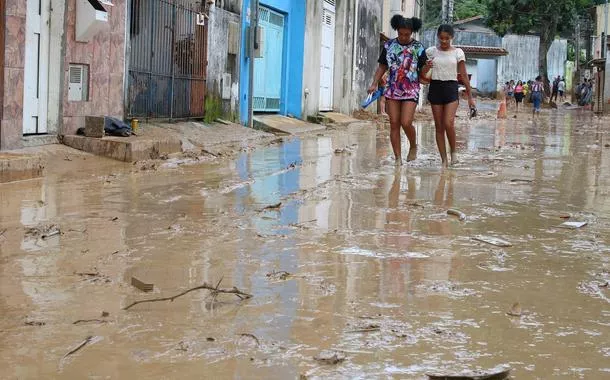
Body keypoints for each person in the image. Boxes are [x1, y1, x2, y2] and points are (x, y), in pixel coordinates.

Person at [369, 15, 426, 165]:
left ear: (412, 32)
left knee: (406, 122)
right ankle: (398, 159)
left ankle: (413, 146)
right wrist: (374, 83)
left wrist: (428, 69)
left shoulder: (418, 48)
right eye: (401, 33)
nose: (403, 37)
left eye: (407, 34)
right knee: (394, 123)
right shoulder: (388, 46)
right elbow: (382, 66)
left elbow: (424, 69)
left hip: (411, 89)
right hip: (392, 89)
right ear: (397, 31)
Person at [420, 24, 476, 167]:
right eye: (441, 38)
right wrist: (427, 66)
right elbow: (422, 73)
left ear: (452, 37)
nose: (444, 41)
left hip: (451, 88)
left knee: (448, 123)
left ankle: (454, 153)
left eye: (447, 38)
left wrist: (470, 97)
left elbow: (463, 75)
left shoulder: (458, 52)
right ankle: (444, 160)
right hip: (435, 87)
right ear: (438, 37)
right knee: (439, 126)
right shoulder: (430, 52)